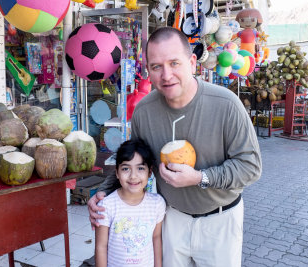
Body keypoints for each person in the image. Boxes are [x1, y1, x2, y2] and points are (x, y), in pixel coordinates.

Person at [89, 27, 262, 267]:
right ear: (148, 70)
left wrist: (201, 178)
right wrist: (104, 192)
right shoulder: (144, 112)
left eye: (174, 63)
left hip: (220, 221)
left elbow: (250, 167)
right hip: (171, 218)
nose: (166, 75)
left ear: (192, 62)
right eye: (157, 66)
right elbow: (136, 161)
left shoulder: (226, 105)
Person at [95, 139, 166, 267]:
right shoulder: (107, 206)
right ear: (116, 172)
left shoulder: (157, 204)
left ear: (150, 172)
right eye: (126, 169)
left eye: (140, 168)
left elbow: (156, 238)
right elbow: (101, 246)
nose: (133, 176)